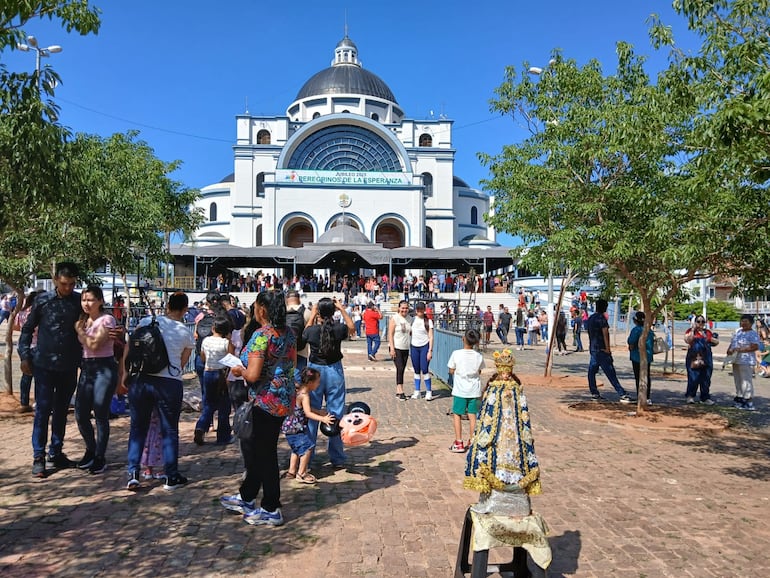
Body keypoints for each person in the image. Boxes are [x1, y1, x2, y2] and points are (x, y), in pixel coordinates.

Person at [221, 290, 296, 526]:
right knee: (258, 447)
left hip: (265, 400)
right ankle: (247, 495)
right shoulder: (289, 333)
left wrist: (238, 370)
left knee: (265, 453)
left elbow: (252, 375)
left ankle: (271, 507)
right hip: (283, 396)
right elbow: (291, 363)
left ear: (262, 308)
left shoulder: (261, 336)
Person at [125, 291, 195, 491]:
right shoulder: (185, 332)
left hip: (141, 379)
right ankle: (171, 476)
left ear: (167, 306)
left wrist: (125, 374)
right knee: (169, 429)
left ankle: (133, 473)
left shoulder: (147, 320)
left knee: (137, 428)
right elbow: (181, 364)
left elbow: (132, 347)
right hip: (168, 383)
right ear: (184, 310)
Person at [18, 262, 83, 478]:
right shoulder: (42, 301)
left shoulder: (78, 301)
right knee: (42, 411)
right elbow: (27, 330)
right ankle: (39, 456)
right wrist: (24, 356)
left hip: (69, 366)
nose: (68, 288)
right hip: (44, 365)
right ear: (56, 280)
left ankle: (56, 451)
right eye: (65, 284)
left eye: (72, 284)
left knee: (62, 411)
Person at [303, 297, 354, 467]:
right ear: (333, 312)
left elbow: (304, 333)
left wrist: (312, 314)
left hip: (315, 370)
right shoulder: (338, 329)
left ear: (318, 312)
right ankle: (337, 457)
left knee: (311, 412)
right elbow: (352, 328)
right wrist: (342, 310)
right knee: (336, 413)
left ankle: (307, 457)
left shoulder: (312, 331)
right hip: (334, 370)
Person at [74, 285, 119, 474]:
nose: (86, 303)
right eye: (84, 299)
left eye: (90, 299)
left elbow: (93, 344)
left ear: (100, 300)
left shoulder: (106, 320)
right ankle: (90, 450)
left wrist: (80, 332)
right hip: (87, 368)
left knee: (100, 412)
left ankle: (100, 456)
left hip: (104, 367)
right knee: (80, 413)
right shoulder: (83, 320)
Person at [281, 367, 336, 484]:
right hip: (296, 428)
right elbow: (308, 413)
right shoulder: (305, 395)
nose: (319, 384)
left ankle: (291, 471)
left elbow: (305, 409)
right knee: (307, 448)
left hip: (289, 426)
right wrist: (323, 418)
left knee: (296, 449)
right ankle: (301, 473)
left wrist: (319, 411)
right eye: (318, 382)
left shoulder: (298, 391)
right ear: (310, 383)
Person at [194, 317, 234, 445]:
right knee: (224, 405)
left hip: (208, 372)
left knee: (209, 403)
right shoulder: (226, 343)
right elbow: (231, 359)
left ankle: (201, 426)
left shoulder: (206, 340)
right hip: (221, 374)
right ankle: (223, 436)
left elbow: (203, 356)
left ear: (213, 328)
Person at [586, 298, 632, 403]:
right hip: (602, 349)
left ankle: (594, 393)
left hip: (594, 348)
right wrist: (608, 348)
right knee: (610, 372)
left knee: (592, 371)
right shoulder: (601, 319)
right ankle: (622, 393)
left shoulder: (591, 318)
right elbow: (605, 332)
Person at [447, 328, 485, 453]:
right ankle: (473, 440)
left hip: (460, 390)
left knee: (457, 414)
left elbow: (451, 369)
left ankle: (458, 441)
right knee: (472, 415)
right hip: (474, 390)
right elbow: (479, 371)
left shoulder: (456, 354)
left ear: (463, 339)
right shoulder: (479, 356)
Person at [726, 314, 761, 410]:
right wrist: (729, 350)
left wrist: (741, 349)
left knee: (746, 380)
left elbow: (755, 346)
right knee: (737, 380)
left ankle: (748, 400)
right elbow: (732, 343)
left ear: (751, 323)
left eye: (746, 321)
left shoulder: (753, 334)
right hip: (736, 359)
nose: (744, 323)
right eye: (742, 321)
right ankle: (739, 397)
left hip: (746, 360)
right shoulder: (738, 332)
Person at [683, 315, 719, 405]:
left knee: (706, 378)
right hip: (693, 356)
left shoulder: (707, 332)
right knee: (693, 377)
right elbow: (687, 340)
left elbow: (716, 342)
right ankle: (690, 396)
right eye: (698, 321)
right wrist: (692, 330)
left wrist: (710, 339)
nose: (700, 323)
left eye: (702, 321)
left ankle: (705, 397)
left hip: (706, 357)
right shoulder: (691, 331)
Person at [15, 291, 40, 413]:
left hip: (22, 345)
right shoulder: (38, 313)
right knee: (39, 375)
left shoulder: (22, 312)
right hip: (35, 345)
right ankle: (37, 402)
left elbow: (16, 327)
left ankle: (24, 402)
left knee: (26, 374)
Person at [627, 311, 654, 405]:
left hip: (637, 356)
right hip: (648, 356)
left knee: (639, 377)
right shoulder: (649, 330)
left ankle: (641, 397)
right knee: (647, 376)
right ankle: (648, 397)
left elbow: (631, 340)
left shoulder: (636, 330)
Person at [409, 301, 434, 400]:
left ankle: (428, 391)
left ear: (424, 310)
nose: (419, 312)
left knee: (424, 369)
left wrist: (430, 350)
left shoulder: (428, 321)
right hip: (414, 346)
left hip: (424, 346)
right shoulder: (412, 320)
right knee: (416, 369)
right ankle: (417, 390)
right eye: (418, 310)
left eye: (421, 310)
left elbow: (431, 337)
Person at [388, 300, 412, 400]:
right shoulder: (395, 318)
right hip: (396, 346)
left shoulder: (410, 319)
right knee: (400, 368)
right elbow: (390, 333)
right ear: (399, 308)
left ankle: (399, 391)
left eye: (406, 308)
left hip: (405, 347)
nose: (404, 310)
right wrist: (392, 348)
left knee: (402, 369)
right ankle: (400, 389)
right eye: (402, 308)